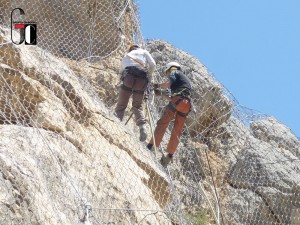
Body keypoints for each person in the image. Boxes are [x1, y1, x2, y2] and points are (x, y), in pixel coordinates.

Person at [147, 62, 192, 167]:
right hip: (186, 105)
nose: (168, 75)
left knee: (163, 122)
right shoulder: (185, 81)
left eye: (168, 72)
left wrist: (157, 85)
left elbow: (167, 84)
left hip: (178, 100)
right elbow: (175, 99)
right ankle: (169, 155)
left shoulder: (175, 72)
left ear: (171, 68)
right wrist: (161, 94)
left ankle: (152, 145)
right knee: (177, 130)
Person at [115, 44, 156, 141]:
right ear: (138, 48)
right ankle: (142, 127)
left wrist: (120, 82)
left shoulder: (126, 56)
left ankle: (116, 123)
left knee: (121, 105)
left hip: (128, 78)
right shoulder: (143, 52)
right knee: (137, 106)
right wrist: (149, 75)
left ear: (130, 49)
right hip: (141, 80)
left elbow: (121, 73)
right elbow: (153, 64)